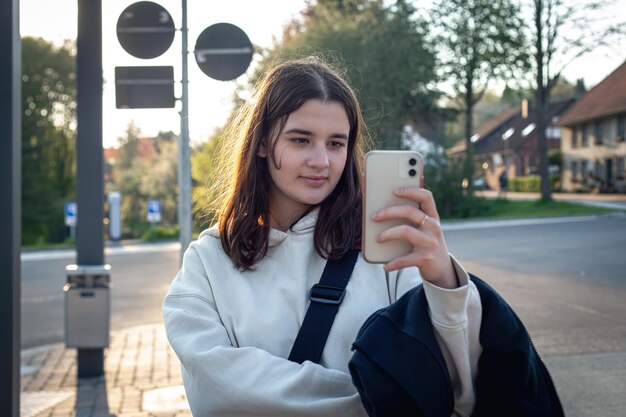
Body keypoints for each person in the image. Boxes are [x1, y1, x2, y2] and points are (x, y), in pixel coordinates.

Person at [162, 56, 482, 417]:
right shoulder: (207, 262)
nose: (322, 161)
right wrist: (381, 400)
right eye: (301, 140)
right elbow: (219, 395)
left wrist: (444, 282)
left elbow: (458, 388)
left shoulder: (387, 249)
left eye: (336, 143)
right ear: (263, 143)